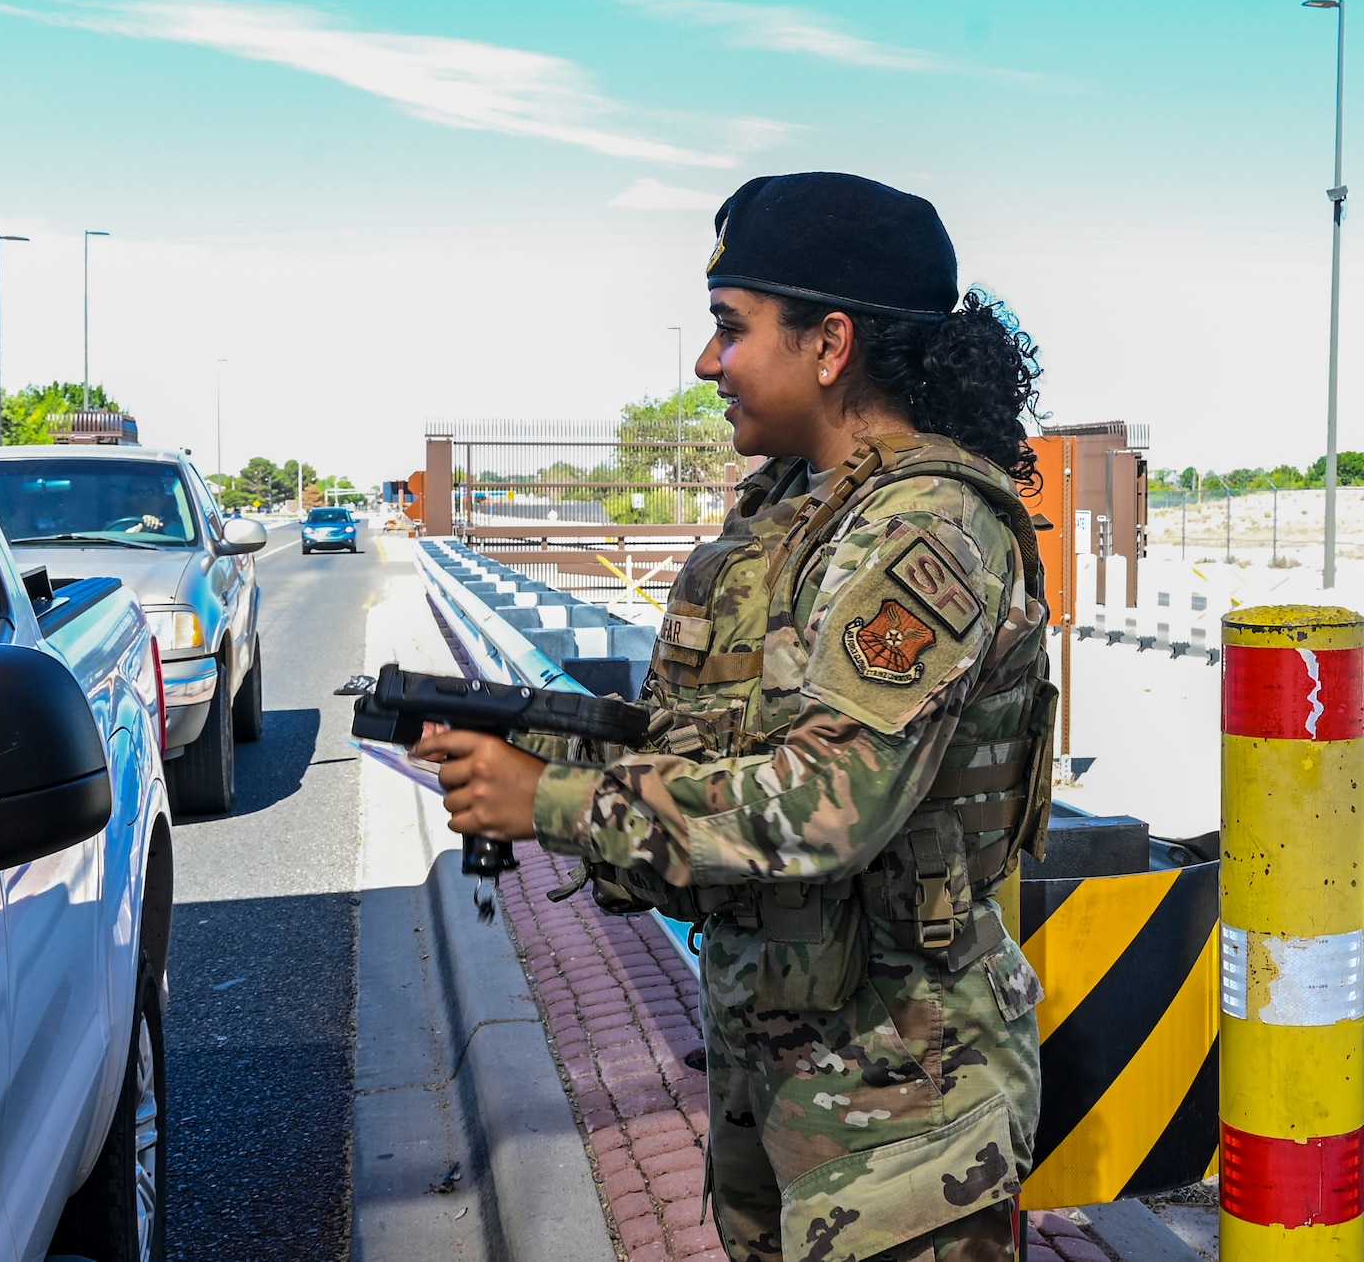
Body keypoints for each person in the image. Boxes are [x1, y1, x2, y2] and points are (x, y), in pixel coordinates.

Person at [415, 172, 1052, 1262]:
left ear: (828, 342)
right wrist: (534, 735)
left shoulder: (925, 530)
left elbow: (828, 798)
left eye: (728, 328)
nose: (708, 364)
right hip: (781, 1084)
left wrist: (552, 800)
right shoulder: (791, 512)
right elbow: (709, 740)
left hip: (903, 1121)